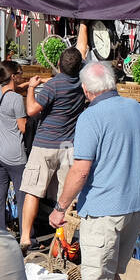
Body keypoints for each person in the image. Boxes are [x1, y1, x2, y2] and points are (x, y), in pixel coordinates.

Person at [50, 62, 140, 280]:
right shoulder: (137, 109)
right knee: (112, 275)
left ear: (86, 89)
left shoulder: (90, 117)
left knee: (100, 279)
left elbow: (80, 170)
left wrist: (60, 207)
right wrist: (137, 187)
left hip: (105, 208)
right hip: (135, 204)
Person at [20, 46, 85, 253]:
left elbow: (31, 110)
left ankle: (25, 238)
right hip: (68, 146)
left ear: (58, 64)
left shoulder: (54, 86)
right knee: (65, 196)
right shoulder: (81, 83)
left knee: (33, 190)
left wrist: (31, 87)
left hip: (45, 144)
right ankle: (63, 242)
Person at [0, 59, 30, 243]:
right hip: (14, 156)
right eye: (20, 73)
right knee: (23, 197)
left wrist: (30, 84)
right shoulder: (16, 100)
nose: (22, 75)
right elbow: (23, 127)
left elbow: (13, 92)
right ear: (13, 76)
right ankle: (28, 236)